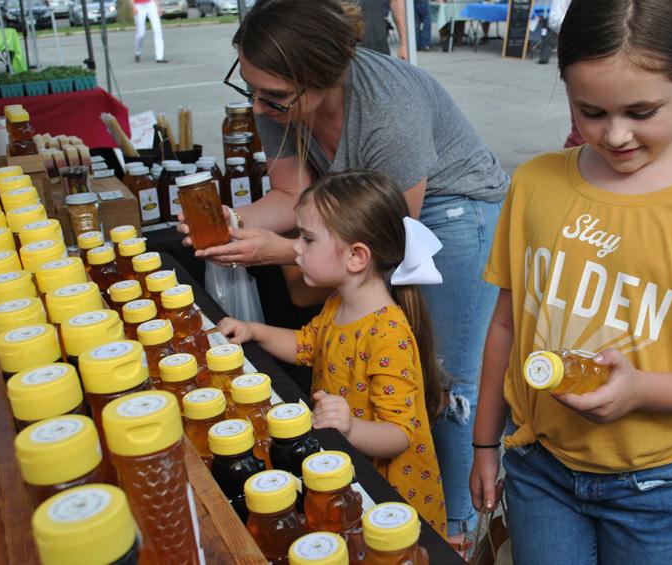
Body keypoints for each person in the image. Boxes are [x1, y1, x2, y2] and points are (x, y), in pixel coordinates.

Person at [180, 0, 508, 549]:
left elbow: (389, 244)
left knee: (450, 376)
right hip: (368, 219)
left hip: (449, 207)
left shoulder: (391, 109)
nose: (258, 107)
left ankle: (454, 527)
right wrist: (233, 225)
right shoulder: (277, 94)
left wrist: (287, 251)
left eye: (273, 97)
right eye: (251, 89)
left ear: (324, 78)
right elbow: (290, 194)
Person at [468, 0, 672, 563]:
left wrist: (641, 390)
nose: (615, 135)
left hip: (652, 484)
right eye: (590, 111)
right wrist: (484, 443)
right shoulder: (535, 184)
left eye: (641, 111)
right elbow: (506, 326)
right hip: (538, 465)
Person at [217, 170, 447, 535]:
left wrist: (350, 427)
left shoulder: (388, 333)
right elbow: (307, 345)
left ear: (356, 256)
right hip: (346, 469)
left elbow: (401, 433)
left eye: (307, 239)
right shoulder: (338, 303)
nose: (295, 248)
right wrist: (253, 330)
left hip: (388, 499)